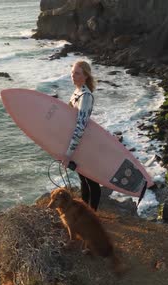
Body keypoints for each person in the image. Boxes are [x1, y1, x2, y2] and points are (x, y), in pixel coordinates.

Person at [61, 60, 101, 211]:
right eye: (72, 73)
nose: (73, 76)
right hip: (79, 145)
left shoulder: (86, 96)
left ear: (85, 76)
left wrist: (68, 153)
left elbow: (80, 127)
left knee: (91, 182)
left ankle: (93, 215)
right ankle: (85, 212)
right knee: (83, 179)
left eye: (77, 73)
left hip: (85, 146)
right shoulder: (77, 92)